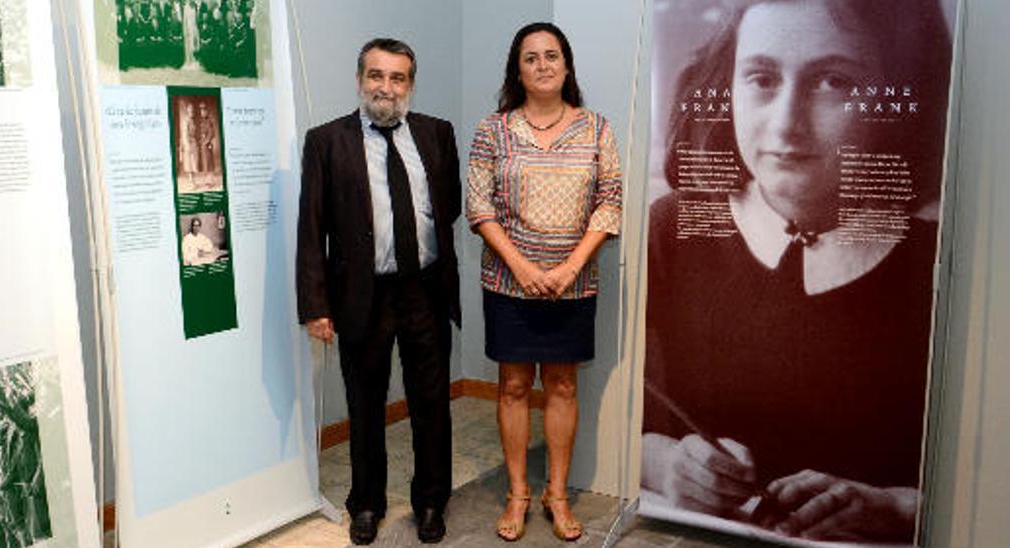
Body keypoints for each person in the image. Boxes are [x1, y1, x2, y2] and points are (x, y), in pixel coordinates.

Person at [641, 0, 952, 542]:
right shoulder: (671, 229)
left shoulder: (943, 259)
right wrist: (665, 464)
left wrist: (900, 507)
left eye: (833, 81)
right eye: (761, 78)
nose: (786, 125)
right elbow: (621, 413)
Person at [296, 37, 461, 545]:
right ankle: (366, 503)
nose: (385, 87)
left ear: (410, 83)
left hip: (426, 291)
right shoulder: (327, 141)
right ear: (359, 79)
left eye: (397, 77)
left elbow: (448, 205)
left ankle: (431, 501)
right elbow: (312, 227)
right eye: (376, 75)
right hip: (361, 296)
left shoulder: (436, 134)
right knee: (365, 405)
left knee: (431, 403)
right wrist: (316, 306)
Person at [466, 22, 623, 542]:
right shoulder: (493, 129)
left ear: (567, 65)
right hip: (509, 282)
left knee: (561, 385)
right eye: (530, 58)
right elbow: (479, 205)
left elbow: (610, 201)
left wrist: (569, 267)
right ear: (518, 69)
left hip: (573, 285)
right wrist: (524, 268)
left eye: (551, 55)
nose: (542, 65)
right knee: (512, 386)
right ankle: (517, 492)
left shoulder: (598, 129)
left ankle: (557, 493)